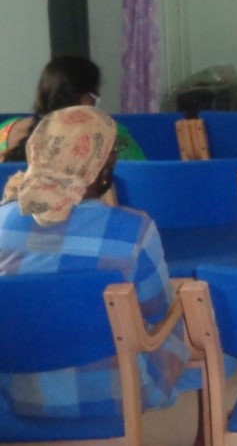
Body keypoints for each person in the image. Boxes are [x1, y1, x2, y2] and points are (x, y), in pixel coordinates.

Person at [0, 106, 189, 420]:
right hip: (119, 395)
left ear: (37, 152)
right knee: (187, 308)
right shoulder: (134, 230)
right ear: (102, 168)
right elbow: (158, 311)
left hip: (13, 397)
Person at [0, 56, 145, 162]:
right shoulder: (109, 133)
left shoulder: (6, 130)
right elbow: (141, 178)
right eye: (95, 93)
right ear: (86, 97)